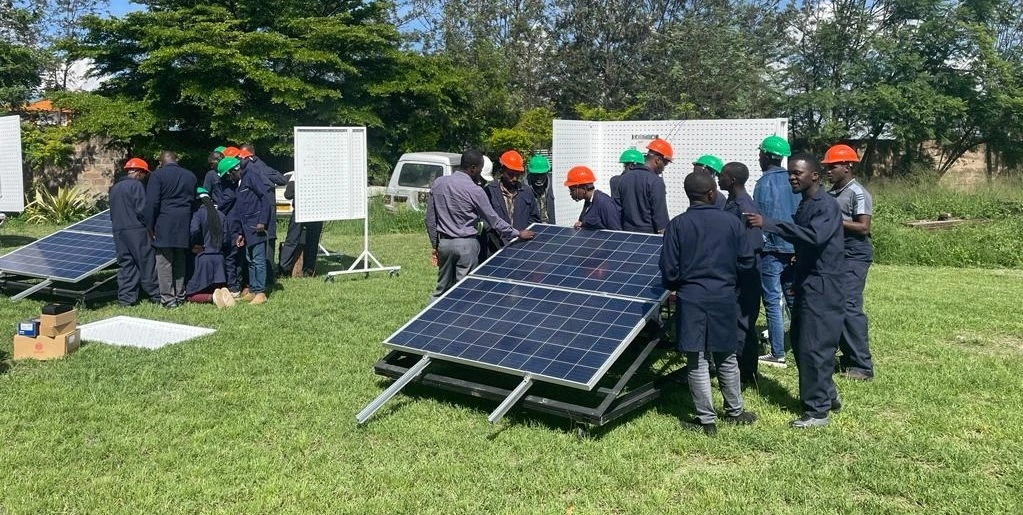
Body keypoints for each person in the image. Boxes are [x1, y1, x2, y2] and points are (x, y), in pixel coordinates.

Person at [745, 153, 845, 429]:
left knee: (813, 346)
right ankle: (828, 395)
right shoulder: (806, 203)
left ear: (814, 175)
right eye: (790, 172)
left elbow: (814, 236)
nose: (792, 177)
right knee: (802, 342)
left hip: (823, 286)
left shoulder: (825, 206)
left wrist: (769, 223)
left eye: (798, 173)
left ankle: (817, 411)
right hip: (807, 281)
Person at [661, 172, 757, 436]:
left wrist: (680, 283)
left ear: (688, 194)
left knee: (697, 359)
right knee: (726, 355)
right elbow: (747, 260)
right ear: (712, 193)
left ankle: (706, 421)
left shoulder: (677, 225)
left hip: (691, 297)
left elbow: (668, 270)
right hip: (724, 296)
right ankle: (735, 412)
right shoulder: (732, 223)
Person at [425, 149, 536, 300]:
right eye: (479, 168)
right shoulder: (475, 190)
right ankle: (462, 321)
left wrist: (436, 245)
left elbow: (430, 219)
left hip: (444, 244)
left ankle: (431, 320)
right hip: (466, 246)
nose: (479, 173)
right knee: (465, 290)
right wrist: (517, 233)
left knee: (441, 290)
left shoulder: (439, 183)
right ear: (473, 168)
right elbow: (494, 220)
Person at [824, 144, 875, 381]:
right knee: (836, 305)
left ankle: (862, 366)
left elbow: (863, 227)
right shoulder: (832, 192)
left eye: (832, 166)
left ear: (848, 166)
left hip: (855, 253)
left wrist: (834, 221)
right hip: (837, 253)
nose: (828, 170)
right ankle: (846, 359)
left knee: (849, 306)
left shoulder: (858, 193)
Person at [753, 135, 800, 367]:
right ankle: (802, 343)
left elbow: (758, 220)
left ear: (766, 156)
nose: (759, 156)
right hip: (794, 249)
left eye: (760, 152)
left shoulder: (763, 184)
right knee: (793, 299)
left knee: (772, 301)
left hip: (771, 250)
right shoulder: (795, 181)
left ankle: (777, 353)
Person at [719, 162, 763, 384]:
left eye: (723, 175)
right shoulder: (732, 202)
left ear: (732, 180)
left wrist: (737, 270)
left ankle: (746, 374)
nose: (719, 177)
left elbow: (753, 244)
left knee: (744, 323)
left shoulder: (744, 206)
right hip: (736, 273)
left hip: (745, 275)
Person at [145, 151, 197, 308]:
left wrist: (149, 226)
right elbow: (194, 201)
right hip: (184, 220)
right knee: (180, 259)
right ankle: (180, 295)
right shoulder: (190, 176)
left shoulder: (157, 176)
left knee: (164, 262)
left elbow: (152, 203)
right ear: (176, 160)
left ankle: (168, 299)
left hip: (165, 221)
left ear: (161, 162)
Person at [110, 158, 160, 307]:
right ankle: (155, 295)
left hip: (119, 230)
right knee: (146, 262)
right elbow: (141, 210)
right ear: (138, 172)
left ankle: (126, 299)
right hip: (136, 230)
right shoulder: (136, 186)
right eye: (144, 174)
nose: (144, 177)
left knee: (126, 264)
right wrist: (151, 227)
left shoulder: (115, 187)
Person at [221, 156, 271, 305]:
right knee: (250, 260)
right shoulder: (240, 183)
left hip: (257, 227)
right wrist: (241, 234)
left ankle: (261, 293)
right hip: (247, 229)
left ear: (233, 170)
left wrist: (262, 221)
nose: (228, 179)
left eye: (228, 175)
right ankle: (253, 290)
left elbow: (265, 199)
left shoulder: (251, 177)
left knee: (258, 260)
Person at [240, 144, 288, 283]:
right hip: (264, 211)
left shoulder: (257, 168)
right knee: (266, 242)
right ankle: (266, 276)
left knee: (267, 242)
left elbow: (281, 179)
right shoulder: (259, 166)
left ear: (250, 156)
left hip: (264, 212)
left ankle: (267, 277)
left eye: (241, 156)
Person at [185, 187, 234, 308]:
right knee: (213, 286)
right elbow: (227, 239)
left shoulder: (197, 214)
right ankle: (222, 291)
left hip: (203, 259)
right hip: (219, 260)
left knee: (189, 295)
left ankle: (212, 297)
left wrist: (193, 245)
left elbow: (194, 230)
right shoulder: (221, 215)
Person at [483, 150, 539, 254]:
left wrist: (524, 234)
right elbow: (485, 220)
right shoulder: (489, 191)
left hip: (522, 247)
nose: (514, 178)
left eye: (517, 174)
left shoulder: (526, 192)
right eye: (511, 174)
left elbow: (535, 218)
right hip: (496, 249)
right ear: (502, 170)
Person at [618, 138, 672, 233]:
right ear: (658, 160)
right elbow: (660, 218)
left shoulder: (624, 178)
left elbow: (618, 209)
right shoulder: (656, 181)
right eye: (665, 163)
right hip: (649, 236)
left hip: (626, 234)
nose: (664, 168)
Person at [278, 174, 323, 277]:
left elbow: (288, 195)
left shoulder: (297, 173)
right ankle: (308, 270)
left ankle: (284, 269)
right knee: (312, 242)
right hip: (317, 211)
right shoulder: (321, 173)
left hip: (300, 210)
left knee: (291, 240)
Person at [564, 166, 622, 230]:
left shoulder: (604, 203)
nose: (571, 193)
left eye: (572, 190)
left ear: (584, 189)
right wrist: (581, 225)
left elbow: (616, 232)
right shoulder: (588, 201)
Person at [525, 154, 556, 224]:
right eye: (535, 174)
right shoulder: (523, 189)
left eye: (542, 174)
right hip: (530, 229)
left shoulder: (551, 184)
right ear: (530, 173)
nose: (539, 178)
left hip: (549, 227)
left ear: (547, 172)